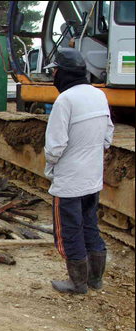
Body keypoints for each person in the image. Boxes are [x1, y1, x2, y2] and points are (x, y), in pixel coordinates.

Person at [43, 48, 114, 295]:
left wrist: (51, 166)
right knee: (89, 226)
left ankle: (77, 283)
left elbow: (54, 147)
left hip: (69, 183)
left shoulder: (65, 100)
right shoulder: (98, 95)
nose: (54, 76)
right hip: (92, 180)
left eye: (54, 71)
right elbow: (107, 136)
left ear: (62, 73)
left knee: (70, 231)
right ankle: (95, 279)